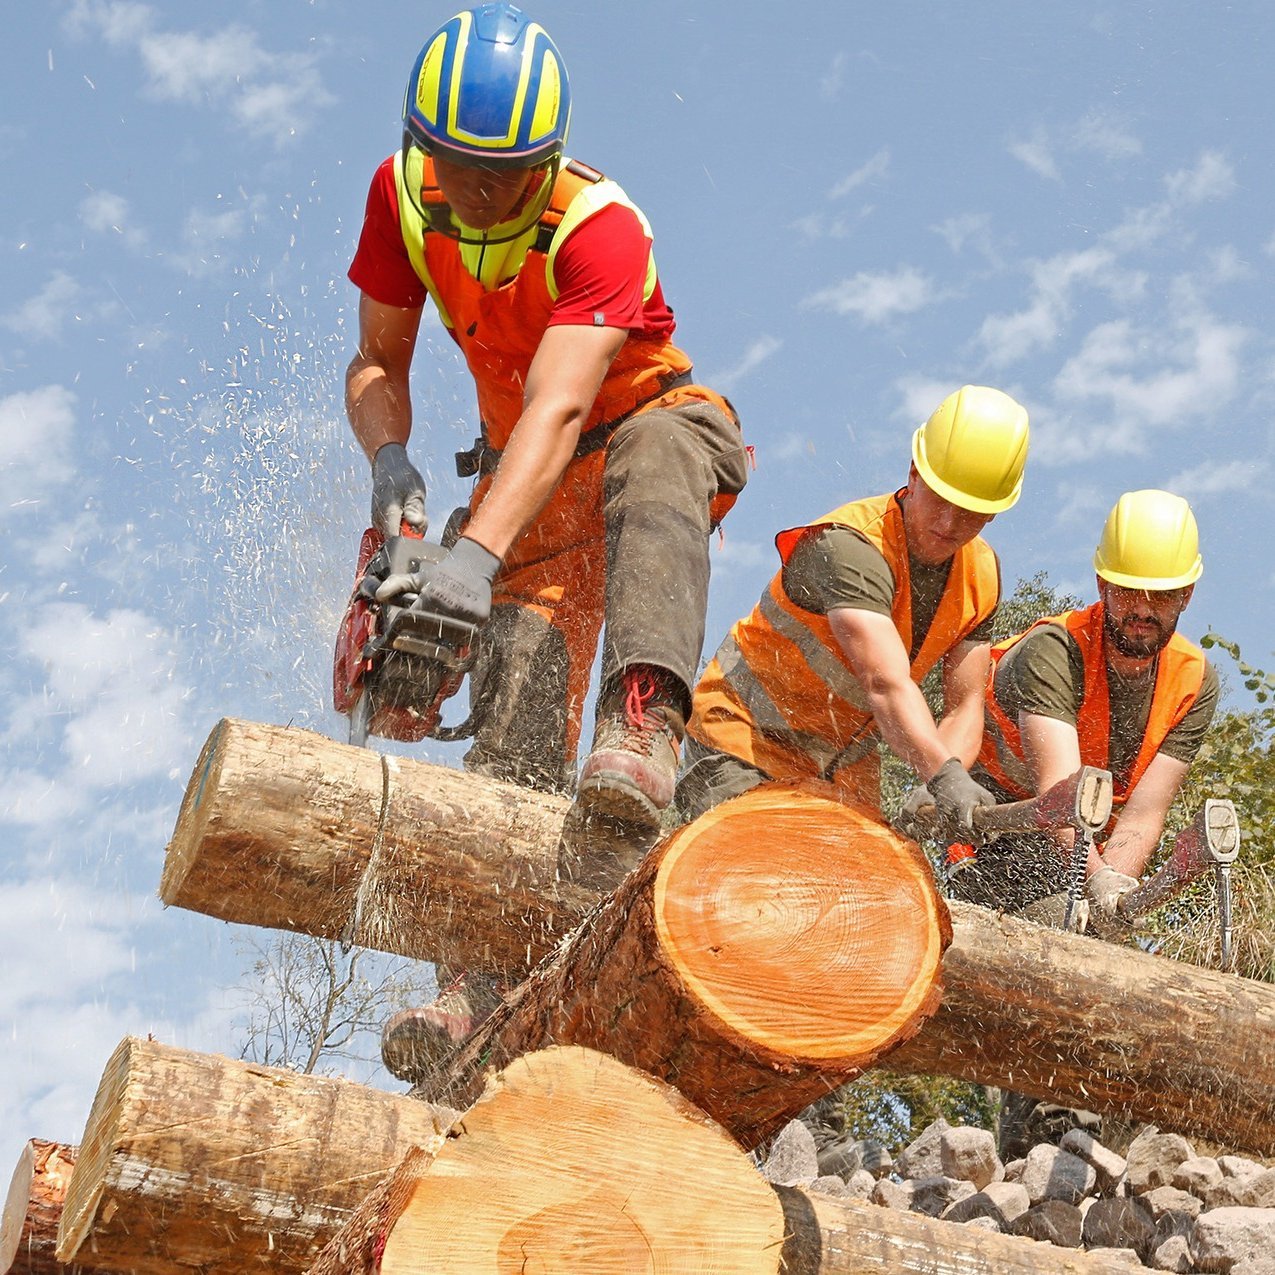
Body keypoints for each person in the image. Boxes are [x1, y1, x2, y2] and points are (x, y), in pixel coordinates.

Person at [351, 4, 748, 1079]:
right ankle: (475, 979)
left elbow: (567, 408)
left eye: (507, 177)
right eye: (461, 171)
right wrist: (395, 471)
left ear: (548, 161)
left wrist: (471, 560)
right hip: (524, 483)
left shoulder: (600, 224)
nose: (479, 195)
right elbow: (378, 362)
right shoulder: (400, 197)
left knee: (660, 454)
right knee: (519, 707)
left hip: (636, 432)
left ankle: (645, 718)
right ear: (423, 146)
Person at [954, 488, 1218, 1158]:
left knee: (1108, 950)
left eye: (1158, 595)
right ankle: (1048, 1139)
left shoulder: (1192, 680)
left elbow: (1145, 810)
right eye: (1126, 591)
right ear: (1101, 581)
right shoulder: (1053, 651)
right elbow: (1061, 795)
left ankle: (1086, 1142)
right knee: (1059, 930)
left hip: (1079, 847)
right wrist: (1092, 884)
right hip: (986, 845)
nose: (1140, 609)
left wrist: (1112, 895)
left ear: (1185, 593)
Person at [675, 385, 1030, 832]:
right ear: (915, 473)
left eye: (969, 513)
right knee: (756, 862)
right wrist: (941, 774)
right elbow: (885, 683)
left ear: (994, 513)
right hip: (748, 736)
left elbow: (964, 708)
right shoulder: (850, 546)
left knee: (859, 889)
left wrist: (943, 771)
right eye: (940, 501)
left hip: (844, 762)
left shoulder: (981, 577)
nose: (947, 524)